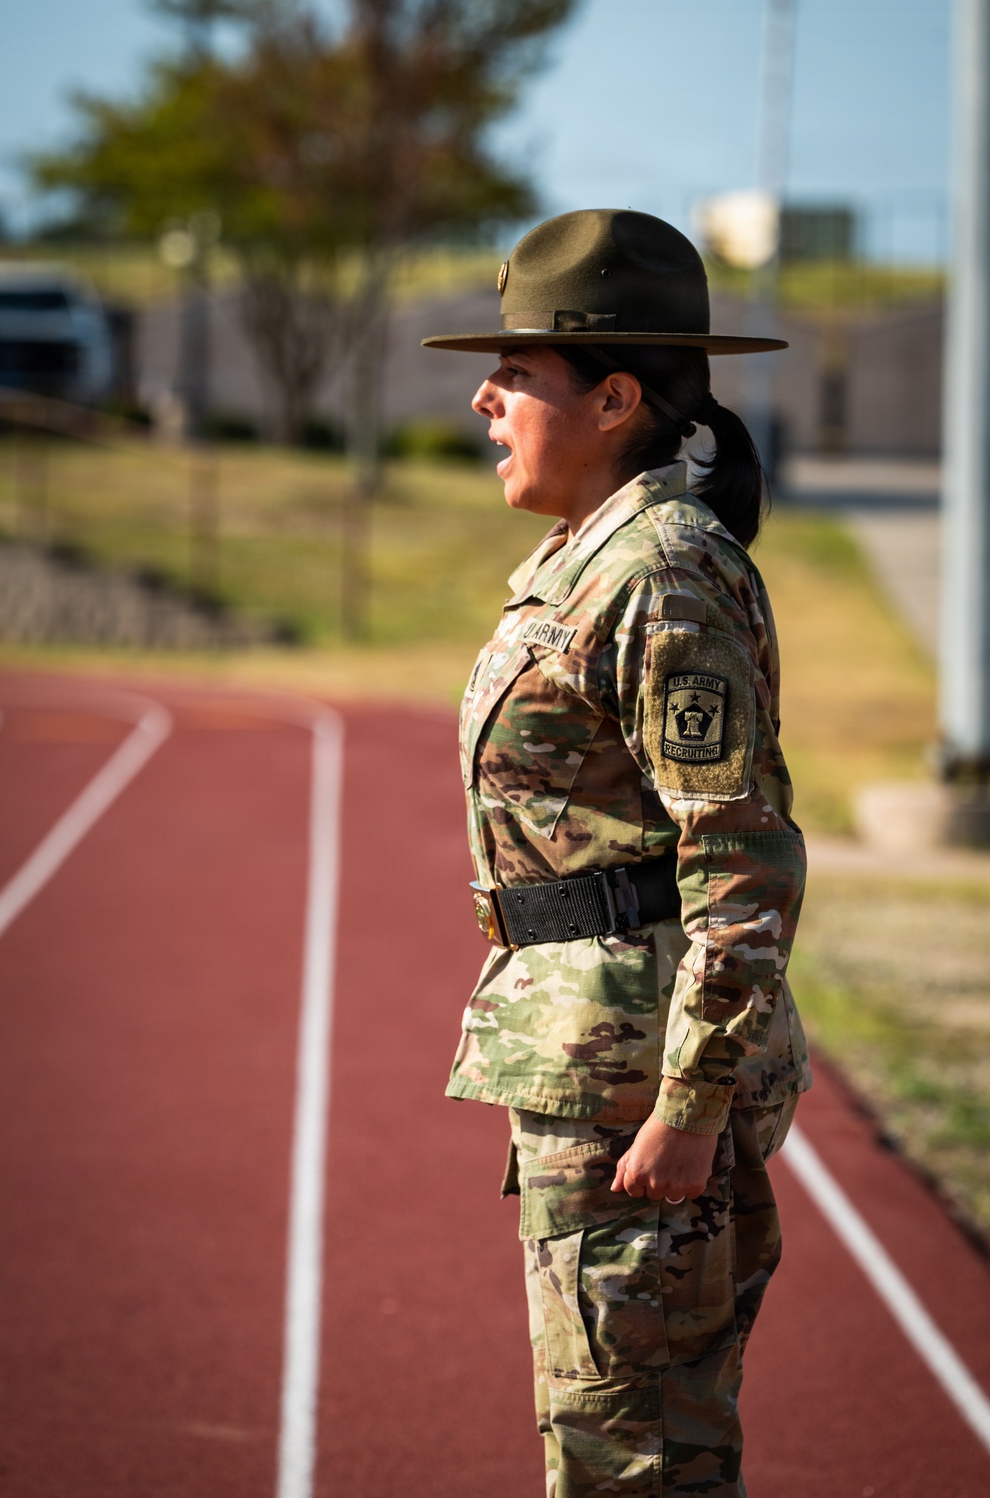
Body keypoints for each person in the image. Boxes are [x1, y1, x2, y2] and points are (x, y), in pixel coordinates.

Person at [423, 208, 811, 1498]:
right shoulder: (587, 559)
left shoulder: (660, 575)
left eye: (517, 373)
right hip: (597, 1062)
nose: (485, 398)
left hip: (640, 1086)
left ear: (615, 397)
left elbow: (739, 860)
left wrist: (692, 1107)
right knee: (622, 1442)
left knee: (632, 1458)